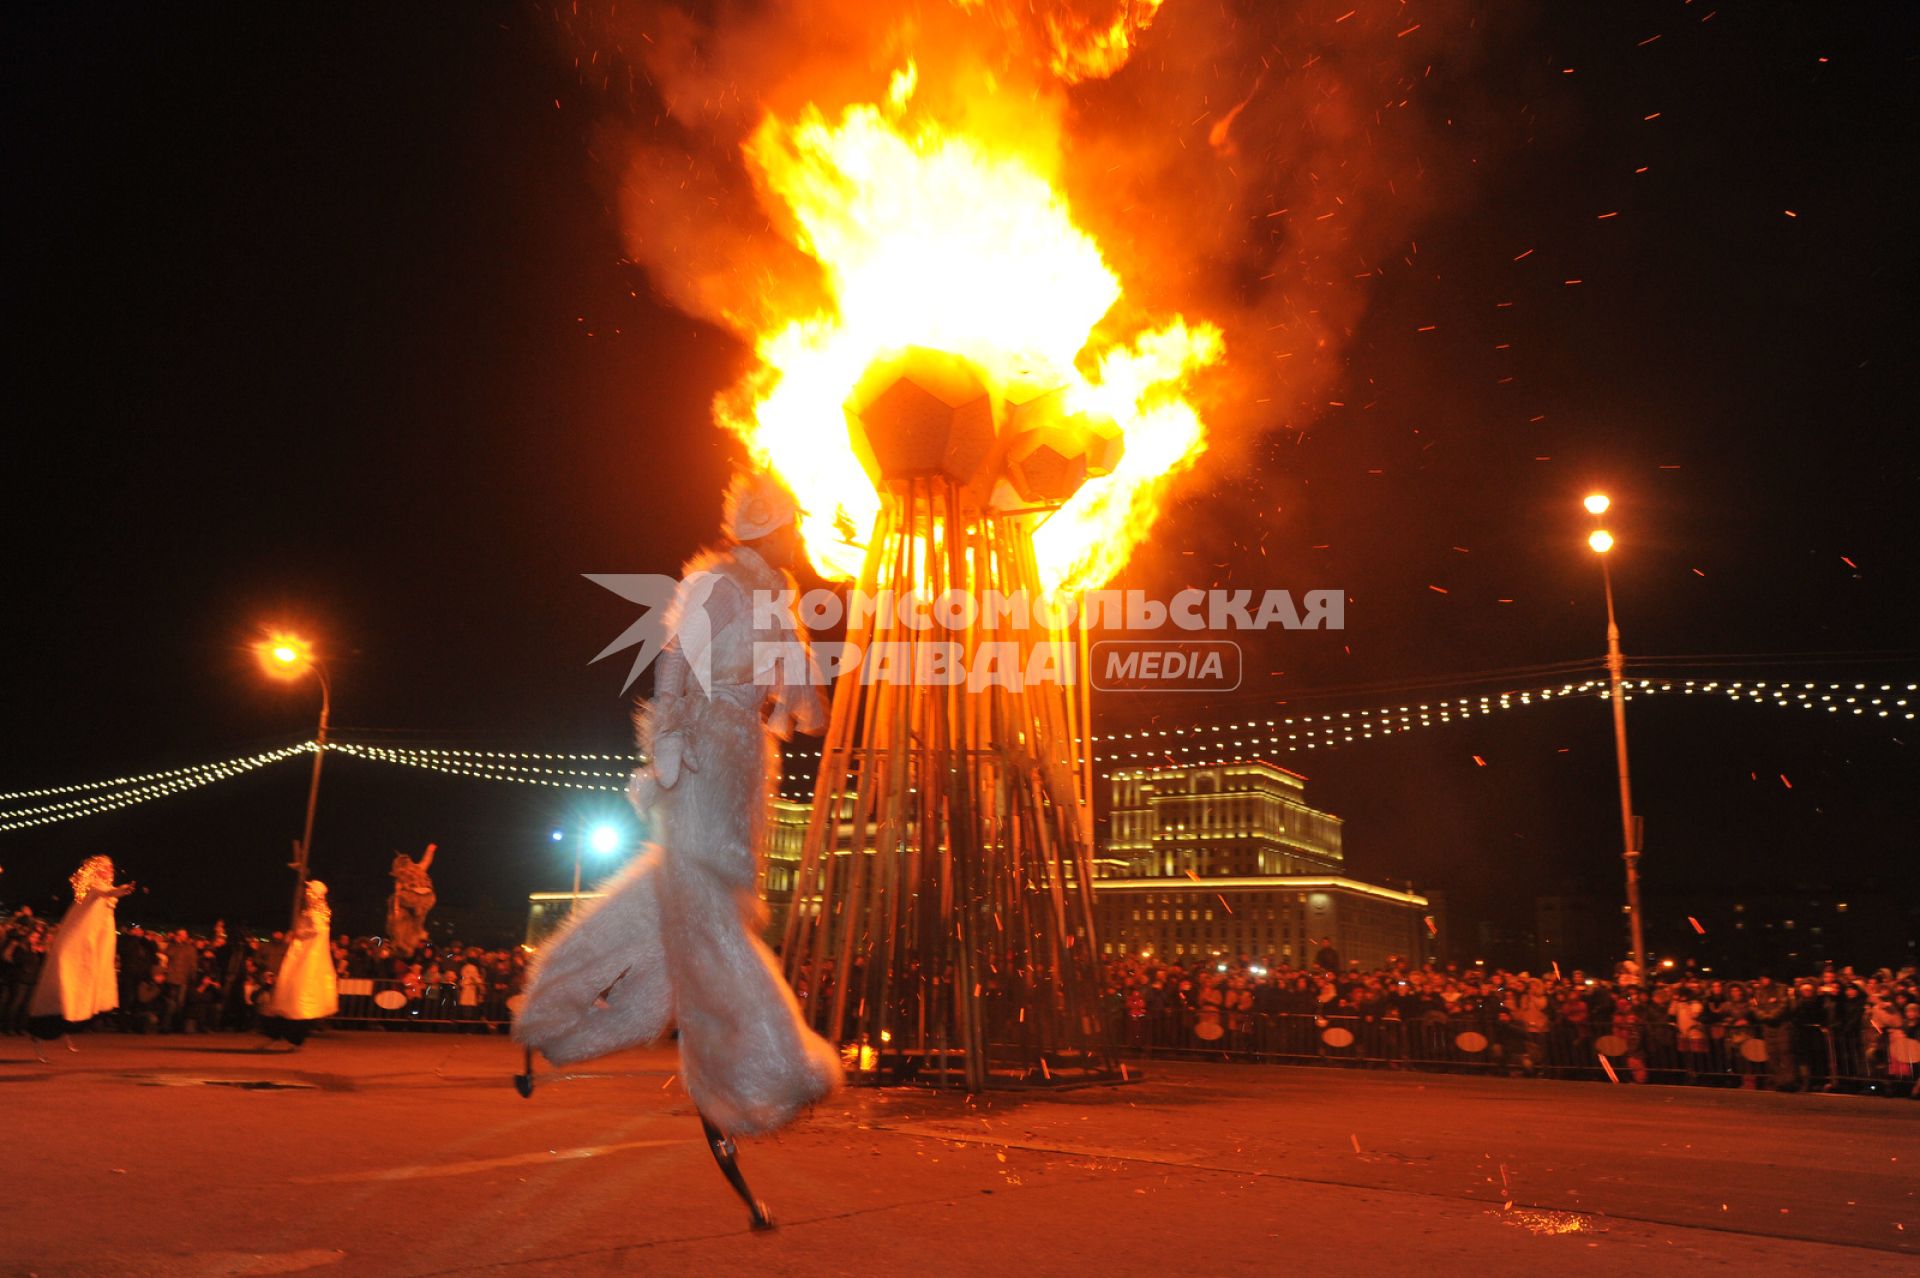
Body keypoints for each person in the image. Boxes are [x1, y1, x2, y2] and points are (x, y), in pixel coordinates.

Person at [515, 471, 842, 1230]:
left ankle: (550, 1012)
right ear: (769, 525)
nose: (799, 536)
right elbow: (672, 663)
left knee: (678, 903)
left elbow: (807, 704)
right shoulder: (718, 584)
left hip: (742, 761)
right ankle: (770, 1072)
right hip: (701, 755)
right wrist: (665, 747)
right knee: (704, 915)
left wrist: (802, 692)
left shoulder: (775, 598)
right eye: (792, 523)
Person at [27, 855, 135, 1057]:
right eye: (105, 866)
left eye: (111, 866)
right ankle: (41, 1030)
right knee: (66, 986)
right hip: (78, 945)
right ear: (95, 869)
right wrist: (122, 890)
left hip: (93, 946)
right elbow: (107, 891)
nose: (110, 870)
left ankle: (67, 1026)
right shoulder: (94, 886)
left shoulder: (102, 891)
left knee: (83, 990)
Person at [259, 880, 339, 1050]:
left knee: (293, 995)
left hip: (303, 958)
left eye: (308, 889)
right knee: (290, 996)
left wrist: (298, 933)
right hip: (302, 956)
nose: (305, 892)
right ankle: (286, 1038)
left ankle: (288, 1038)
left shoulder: (314, 912)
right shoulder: (320, 912)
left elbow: (316, 930)